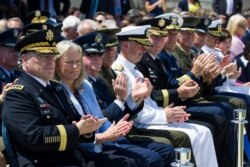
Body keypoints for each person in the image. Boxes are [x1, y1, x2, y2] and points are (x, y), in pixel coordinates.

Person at [55, 38, 175, 167]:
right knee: (147, 159)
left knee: (162, 151)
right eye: (69, 62)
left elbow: (102, 118)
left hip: (108, 138)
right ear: (57, 64)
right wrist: (120, 102)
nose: (75, 66)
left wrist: (134, 99)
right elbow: (102, 116)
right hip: (83, 149)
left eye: (77, 62)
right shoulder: (57, 90)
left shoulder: (88, 84)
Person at [112, 25, 218, 167]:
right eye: (140, 45)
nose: (144, 50)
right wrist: (164, 115)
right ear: (125, 45)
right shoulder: (120, 71)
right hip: (140, 124)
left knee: (203, 132)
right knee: (188, 136)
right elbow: (138, 114)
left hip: (153, 116)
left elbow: (150, 102)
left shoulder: (135, 70)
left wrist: (169, 113)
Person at [2, 29, 106, 167]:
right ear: (25, 60)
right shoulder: (18, 93)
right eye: (43, 56)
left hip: (70, 158)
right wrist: (77, 130)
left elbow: (74, 122)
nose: (50, 61)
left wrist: (87, 128)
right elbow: (34, 137)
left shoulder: (56, 88)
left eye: (52, 56)